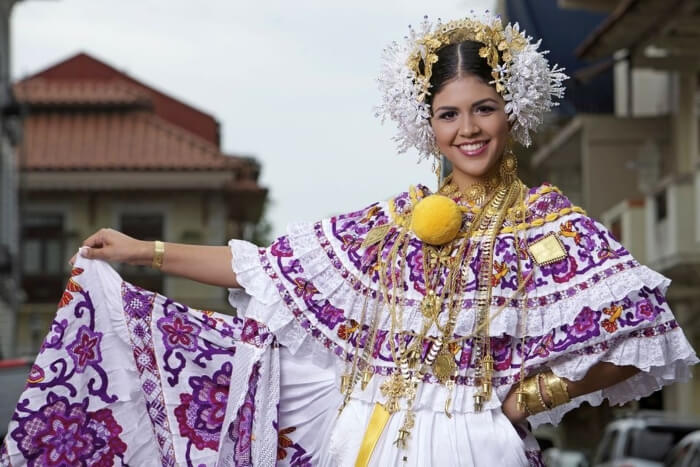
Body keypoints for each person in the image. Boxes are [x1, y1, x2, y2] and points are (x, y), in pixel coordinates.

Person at [2, 13, 698, 467]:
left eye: (484, 108)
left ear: (510, 112)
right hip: (356, 433)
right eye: (449, 113)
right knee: (216, 361)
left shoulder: (548, 223)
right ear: (428, 126)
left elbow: (638, 326)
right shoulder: (397, 220)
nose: (469, 129)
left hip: (474, 444)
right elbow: (265, 269)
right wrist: (142, 252)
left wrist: (526, 398)